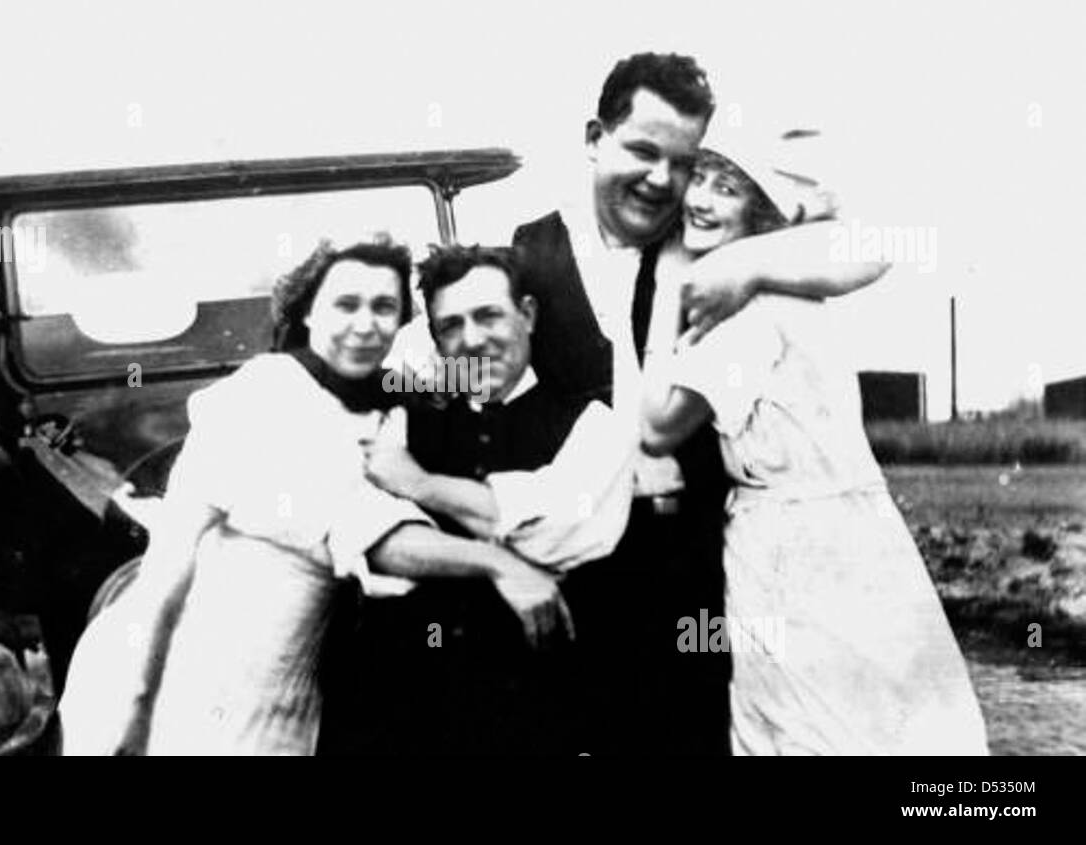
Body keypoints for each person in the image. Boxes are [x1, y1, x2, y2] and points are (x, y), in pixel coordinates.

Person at [508, 52, 892, 755]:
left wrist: (744, 264)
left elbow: (876, 245)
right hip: (573, 582)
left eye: (682, 162)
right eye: (642, 151)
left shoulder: (716, 246)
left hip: (693, 583)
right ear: (596, 138)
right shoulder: (528, 253)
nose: (663, 180)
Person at [58, 235, 572, 756]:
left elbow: (466, 379)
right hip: (186, 681)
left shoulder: (383, 400)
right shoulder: (269, 392)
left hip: (285, 699)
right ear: (308, 314)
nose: (366, 324)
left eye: (384, 307)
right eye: (346, 305)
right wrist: (503, 564)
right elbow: (369, 536)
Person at [640, 130, 989, 755]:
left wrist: (672, 283)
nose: (702, 199)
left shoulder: (742, 312)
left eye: (728, 189)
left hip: (788, 545)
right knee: (881, 710)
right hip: (852, 529)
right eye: (702, 179)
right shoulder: (796, 292)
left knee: (800, 721)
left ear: (758, 217)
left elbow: (656, 425)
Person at [341, 244, 633, 754]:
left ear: (528, 314)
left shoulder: (595, 425)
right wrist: (498, 564)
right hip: (416, 715)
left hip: (545, 717)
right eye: (450, 325)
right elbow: (374, 540)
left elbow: (553, 532)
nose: (472, 340)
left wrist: (417, 484)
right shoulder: (407, 421)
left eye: (489, 315)